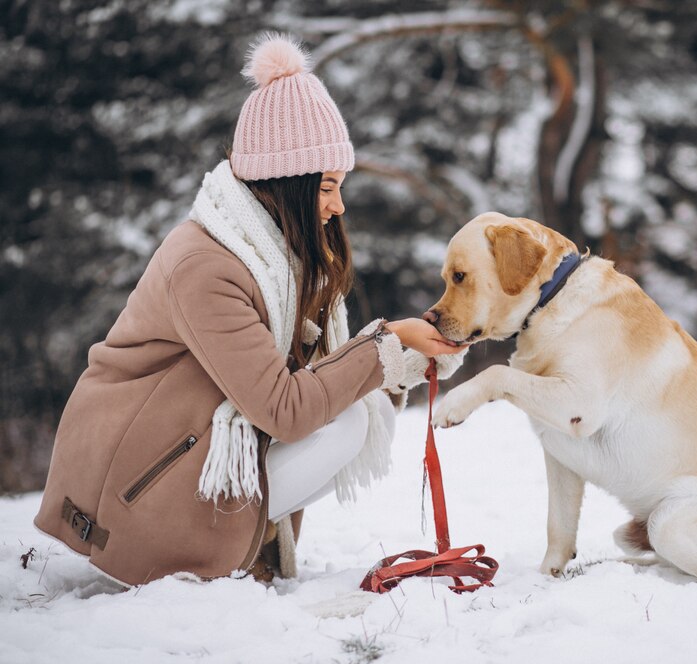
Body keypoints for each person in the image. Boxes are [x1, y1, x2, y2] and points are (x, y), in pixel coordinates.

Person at [33, 34, 466, 586]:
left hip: (175, 456)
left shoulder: (271, 257)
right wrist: (387, 342)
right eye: (328, 187)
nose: (338, 205)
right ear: (287, 184)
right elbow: (286, 409)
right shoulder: (207, 267)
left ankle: (242, 546)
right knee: (349, 421)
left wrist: (404, 354)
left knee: (366, 412)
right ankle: (199, 555)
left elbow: (317, 382)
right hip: (131, 492)